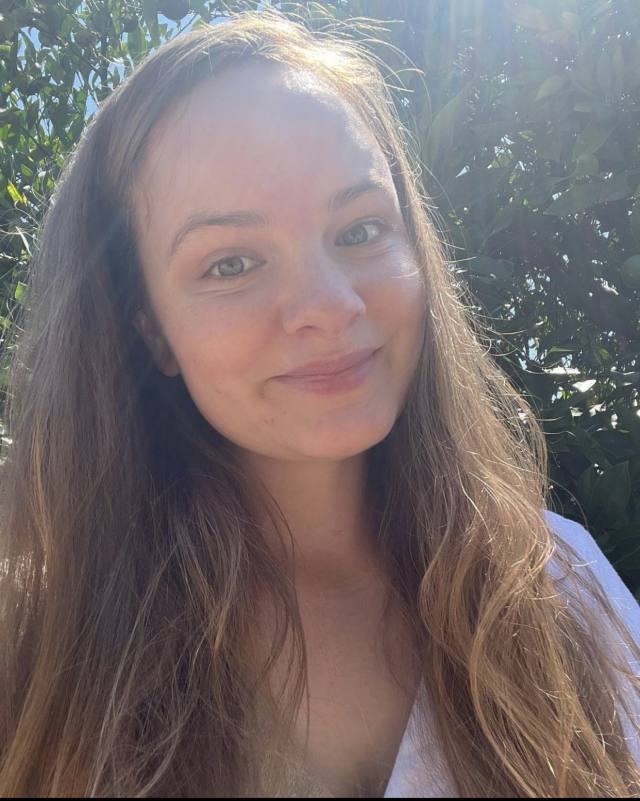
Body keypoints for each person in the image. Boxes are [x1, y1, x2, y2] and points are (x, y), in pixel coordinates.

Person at [0, 6, 638, 797]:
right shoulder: (36, 644)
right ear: (151, 330)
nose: (331, 305)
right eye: (231, 263)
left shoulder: (555, 587)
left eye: (360, 229)